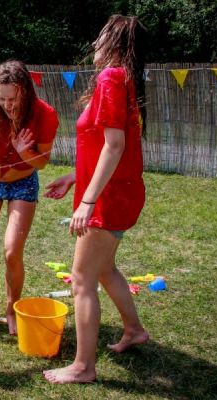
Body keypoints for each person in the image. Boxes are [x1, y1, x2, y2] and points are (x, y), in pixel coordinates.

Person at [43, 15, 150, 384]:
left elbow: (115, 145)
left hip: (108, 198)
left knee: (82, 278)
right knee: (103, 268)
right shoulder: (123, 78)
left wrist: (88, 201)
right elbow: (107, 147)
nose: (93, 45)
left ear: (115, 42)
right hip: (116, 190)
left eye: (100, 37)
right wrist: (77, 177)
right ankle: (134, 330)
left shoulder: (111, 77)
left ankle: (83, 367)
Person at [0, 60, 59, 335]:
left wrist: (22, 151)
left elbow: (41, 163)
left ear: (25, 92)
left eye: (12, 98)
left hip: (23, 184)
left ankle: (11, 308)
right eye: (1, 98)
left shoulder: (44, 114)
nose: (7, 104)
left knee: (11, 251)